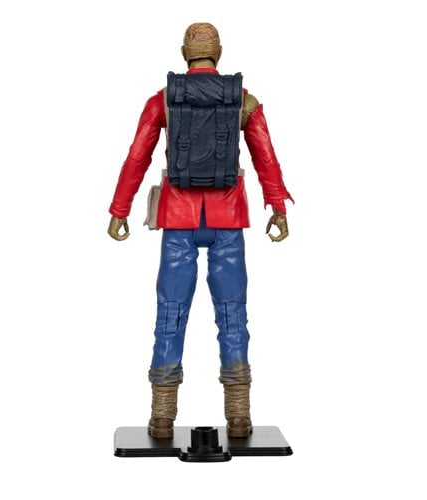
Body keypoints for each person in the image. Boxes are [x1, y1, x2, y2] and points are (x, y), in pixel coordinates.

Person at [108, 23, 293, 439]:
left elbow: (137, 156)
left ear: (183, 53)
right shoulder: (243, 101)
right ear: (219, 53)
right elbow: (266, 156)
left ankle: (161, 419)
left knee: (170, 313)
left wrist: (120, 209)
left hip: (178, 218)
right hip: (228, 218)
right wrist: (278, 206)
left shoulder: (163, 100)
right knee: (233, 315)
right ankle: (239, 418)